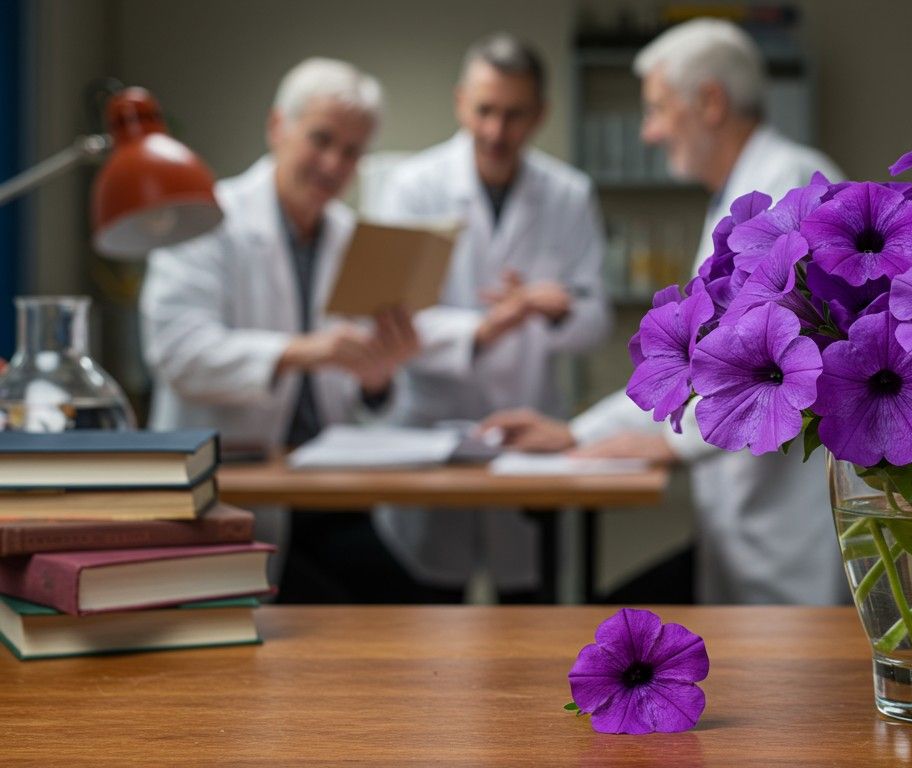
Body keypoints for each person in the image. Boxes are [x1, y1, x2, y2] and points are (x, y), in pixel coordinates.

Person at [482, 18, 848, 605]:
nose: (648, 132)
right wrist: (575, 434)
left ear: (709, 102)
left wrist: (669, 444)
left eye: (656, 109)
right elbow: (701, 368)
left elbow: (776, 372)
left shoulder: (789, 186)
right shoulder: (738, 193)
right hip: (743, 517)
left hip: (785, 530)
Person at [141, 57, 444, 602]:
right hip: (227, 496)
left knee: (420, 609)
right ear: (277, 127)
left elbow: (350, 389)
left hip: (321, 492)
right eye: (321, 140)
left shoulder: (354, 239)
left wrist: (377, 376)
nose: (333, 163)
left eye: (351, 152)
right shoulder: (206, 219)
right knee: (329, 624)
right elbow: (177, 351)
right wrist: (301, 352)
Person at [367, 33, 611, 599]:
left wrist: (550, 311)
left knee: (529, 625)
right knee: (425, 628)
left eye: (515, 115)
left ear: (541, 114)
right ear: (460, 103)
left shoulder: (569, 195)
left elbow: (595, 318)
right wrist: (489, 325)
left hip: (527, 435)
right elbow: (387, 322)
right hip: (431, 428)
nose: (497, 132)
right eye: (485, 111)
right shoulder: (412, 188)